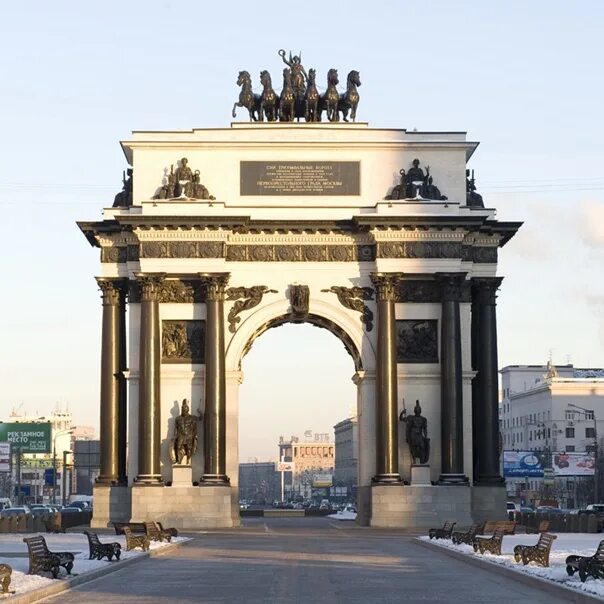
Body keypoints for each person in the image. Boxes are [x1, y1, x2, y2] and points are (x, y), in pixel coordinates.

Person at [172, 399, 200, 465]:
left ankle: (188, 461)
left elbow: (200, 418)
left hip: (189, 435)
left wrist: (199, 412)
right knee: (178, 447)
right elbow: (176, 428)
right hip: (180, 435)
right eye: (182, 409)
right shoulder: (178, 418)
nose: (183, 411)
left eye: (185, 410)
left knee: (189, 448)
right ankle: (179, 461)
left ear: (187, 410)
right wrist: (174, 437)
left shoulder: (192, 418)